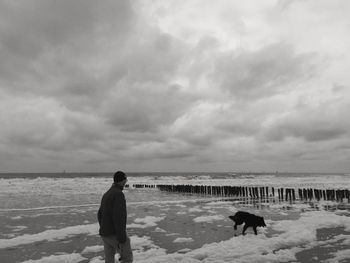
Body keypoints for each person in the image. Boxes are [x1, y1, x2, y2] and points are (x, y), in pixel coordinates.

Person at [97, 171, 133, 263]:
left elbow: (99, 214)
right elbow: (119, 217)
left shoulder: (107, 194)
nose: (126, 181)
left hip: (105, 234)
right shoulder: (118, 194)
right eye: (126, 179)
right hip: (113, 234)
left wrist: (103, 228)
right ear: (122, 181)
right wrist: (122, 237)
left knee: (109, 259)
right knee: (127, 258)